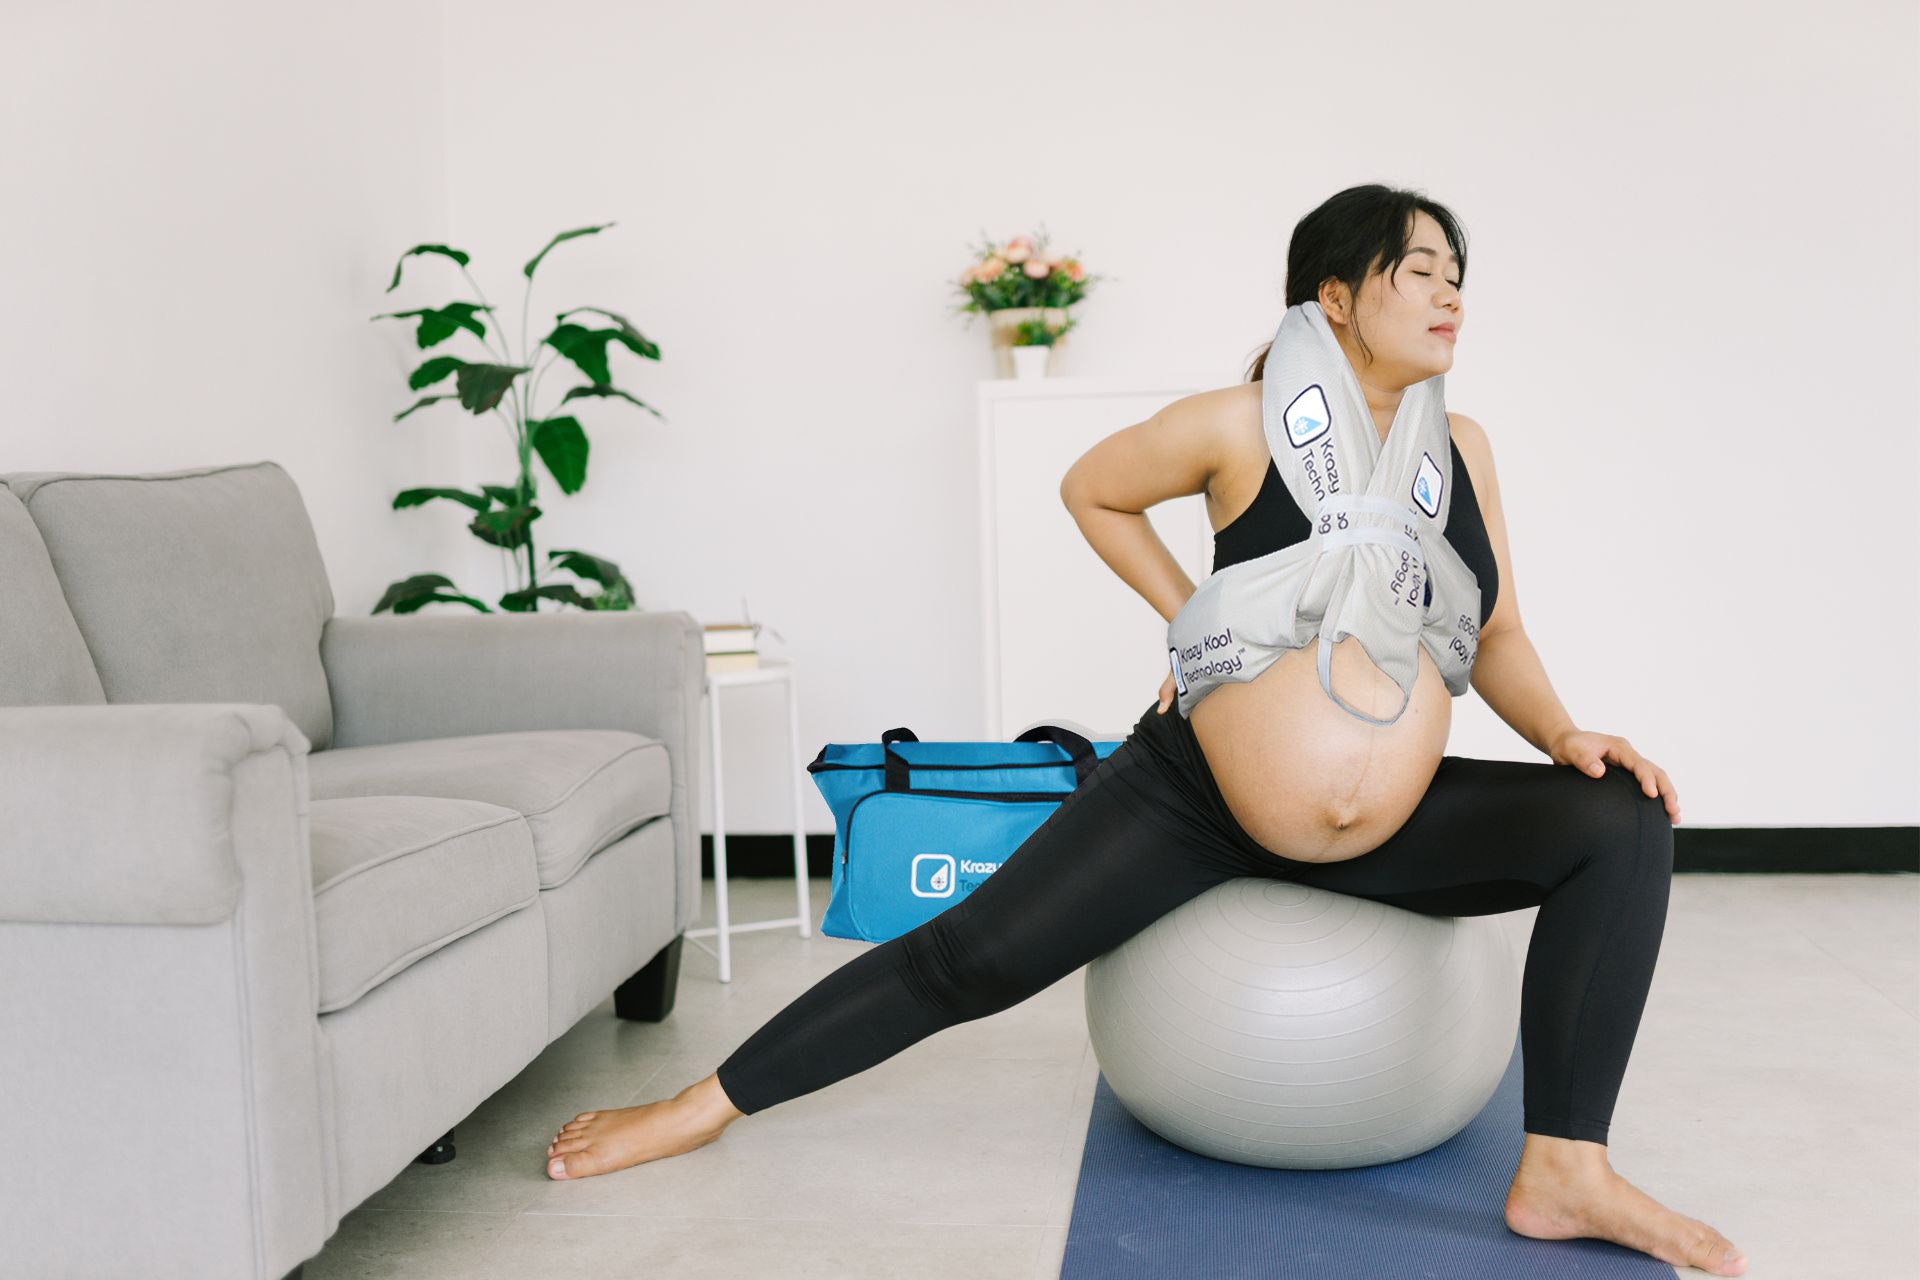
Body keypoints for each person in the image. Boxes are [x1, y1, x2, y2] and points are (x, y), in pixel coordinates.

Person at [541, 185, 1748, 1277]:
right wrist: (1199, 624)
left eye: (1456, 274)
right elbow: (1092, 484)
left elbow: (1495, 637)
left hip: (1390, 822)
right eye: (1419, 268)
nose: (1450, 293)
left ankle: (1565, 1168)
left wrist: (1568, 734)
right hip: (1196, 799)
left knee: (1621, 816)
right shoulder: (1236, 421)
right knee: (971, 957)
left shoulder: (1462, 452)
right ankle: (698, 1104)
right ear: (1334, 294)